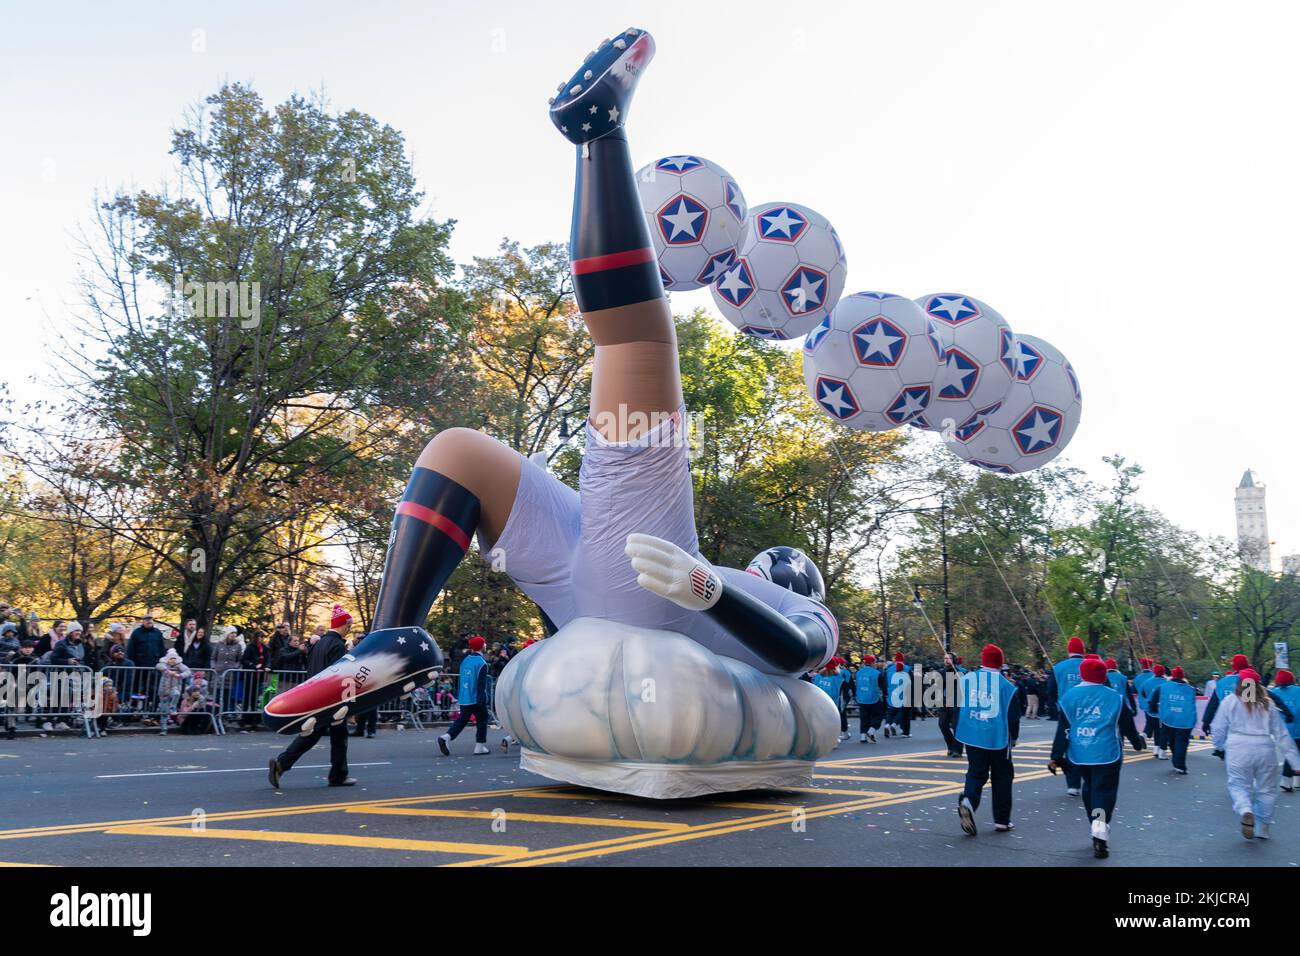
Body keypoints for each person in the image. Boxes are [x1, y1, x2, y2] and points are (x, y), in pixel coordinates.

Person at [264, 27, 841, 742]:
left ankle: (598, 133)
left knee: (633, 341)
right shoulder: (736, 576)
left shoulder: (804, 612)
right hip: (605, 575)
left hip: (644, 596)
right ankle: (395, 639)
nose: (777, 566)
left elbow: (800, 652)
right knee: (460, 455)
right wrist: (707, 583)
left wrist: (711, 590)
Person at [1049, 657, 1146, 858]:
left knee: (1089, 788)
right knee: (1104, 792)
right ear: (1103, 675)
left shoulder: (1068, 697)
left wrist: (1056, 755)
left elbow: (1063, 729)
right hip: (1107, 753)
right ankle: (1100, 827)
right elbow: (1127, 724)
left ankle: (1095, 822)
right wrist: (1137, 744)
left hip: (1079, 752)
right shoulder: (1115, 697)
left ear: (1083, 674)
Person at [267, 606, 357, 789]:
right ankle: (338, 775)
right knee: (338, 736)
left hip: (316, 695)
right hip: (332, 699)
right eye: (348, 625)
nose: (350, 628)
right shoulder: (338, 646)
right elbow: (340, 675)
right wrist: (348, 702)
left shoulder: (319, 644)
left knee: (312, 735)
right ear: (342, 625)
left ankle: (282, 764)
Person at [1209, 668, 1300, 840]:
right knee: (1266, 790)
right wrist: (1296, 763)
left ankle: (1245, 809)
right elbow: (1282, 735)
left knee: (1238, 785)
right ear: (1258, 685)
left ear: (1239, 684)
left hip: (1237, 748)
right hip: (1265, 749)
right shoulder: (1268, 704)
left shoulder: (1230, 701)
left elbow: (1218, 727)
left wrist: (1219, 745)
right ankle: (1263, 827)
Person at [955, 644, 1022, 835]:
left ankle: (968, 800)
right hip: (997, 737)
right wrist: (1014, 738)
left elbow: (958, 705)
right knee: (1002, 776)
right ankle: (1002, 820)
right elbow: (1013, 718)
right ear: (1000, 662)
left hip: (972, 733)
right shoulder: (1008, 687)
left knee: (976, 772)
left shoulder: (967, 679)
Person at [438, 635, 491, 756]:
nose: (485, 645)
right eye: (484, 643)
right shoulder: (481, 663)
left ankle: (446, 737)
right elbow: (481, 683)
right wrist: (482, 699)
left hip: (464, 696)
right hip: (476, 697)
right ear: (481, 646)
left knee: (462, 720)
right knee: (482, 720)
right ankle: (480, 746)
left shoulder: (465, 660)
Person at [1048, 636, 1088, 796]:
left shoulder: (1059, 667)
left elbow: (1050, 690)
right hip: (1088, 711)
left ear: (1068, 651)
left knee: (1068, 744)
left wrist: (1056, 707)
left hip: (1066, 711)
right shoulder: (1089, 665)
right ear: (1083, 651)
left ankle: (1073, 784)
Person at [1148, 666, 1196, 774]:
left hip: (1168, 718)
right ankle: (1180, 764)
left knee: (1172, 740)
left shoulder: (1163, 687)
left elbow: (1153, 701)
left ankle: (1177, 761)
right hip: (1185, 719)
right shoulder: (1190, 689)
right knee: (1182, 742)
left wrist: (1154, 709)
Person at [1201, 653, 1248, 737]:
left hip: (1225, 722)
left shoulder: (1222, 682)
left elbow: (1213, 704)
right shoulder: (1251, 681)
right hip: (1245, 724)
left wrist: (1206, 721)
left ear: (1234, 666)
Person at [1272, 670, 1300, 793]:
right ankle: (1287, 780)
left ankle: (1295, 782)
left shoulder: (1273, 692)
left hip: (1280, 730)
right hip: (1297, 729)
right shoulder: (1298, 691)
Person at [938, 652, 965, 757]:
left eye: (949, 658)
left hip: (957, 702)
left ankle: (957, 750)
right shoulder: (942, 672)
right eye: (945, 658)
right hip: (945, 702)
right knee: (942, 724)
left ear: (953, 660)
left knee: (956, 726)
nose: (946, 660)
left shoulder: (960, 671)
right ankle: (950, 746)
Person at [855, 654, 885, 742]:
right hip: (873, 697)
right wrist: (885, 694)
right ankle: (871, 730)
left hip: (861, 697)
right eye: (875, 662)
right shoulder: (877, 673)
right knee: (879, 714)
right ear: (872, 663)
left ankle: (863, 736)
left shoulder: (858, 672)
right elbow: (882, 686)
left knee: (864, 717)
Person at [1141, 663, 1168, 757]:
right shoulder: (1167, 682)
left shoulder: (1147, 682)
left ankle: (1145, 736)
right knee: (1160, 730)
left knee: (1152, 726)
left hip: (1150, 707)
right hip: (1163, 709)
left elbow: (1143, 693)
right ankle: (1157, 749)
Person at [885, 653, 911, 738]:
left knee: (891, 711)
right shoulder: (907, 669)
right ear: (903, 659)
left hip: (892, 693)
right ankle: (900, 728)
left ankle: (887, 725)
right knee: (903, 712)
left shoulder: (889, 669)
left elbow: (884, 681)